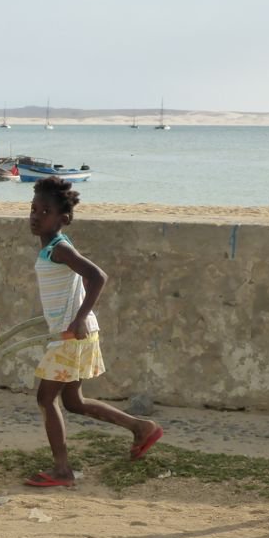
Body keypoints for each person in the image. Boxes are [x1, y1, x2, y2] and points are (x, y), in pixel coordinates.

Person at [25, 176, 163, 487]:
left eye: (45, 212)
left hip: (71, 336)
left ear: (63, 219)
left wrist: (79, 318)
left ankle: (62, 470)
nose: (36, 216)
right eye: (33, 209)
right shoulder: (51, 249)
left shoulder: (60, 248)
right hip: (72, 333)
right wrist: (77, 314)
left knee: (46, 398)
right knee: (73, 401)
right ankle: (141, 427)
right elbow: (81, 280)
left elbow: (97, 276)